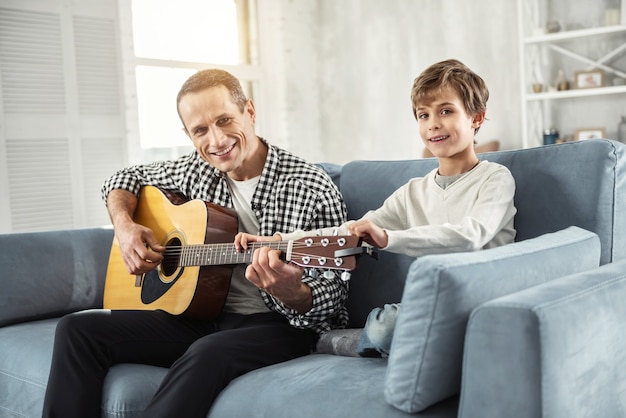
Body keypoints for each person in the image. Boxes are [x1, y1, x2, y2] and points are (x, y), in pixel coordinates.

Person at [42, 69, 349, 418]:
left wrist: (293, 291)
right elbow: (122, 178)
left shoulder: (311, 186)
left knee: (207, 352)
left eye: (224, 120)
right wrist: (125, 227)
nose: (216, 141)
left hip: (276, 324)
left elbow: (334, 296)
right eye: (200, 130)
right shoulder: (195, 169)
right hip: (202, 315)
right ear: (188, 134)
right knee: (77, 329)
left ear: (249, 111)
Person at [235, 59, 517, 351]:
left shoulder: (495, 178)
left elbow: (471, 236)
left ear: (476, 118)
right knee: (389, 325)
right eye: (423, 115)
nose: (433, 123)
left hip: (486, 298)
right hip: (436, 303)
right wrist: (278, 240)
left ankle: (364, 342)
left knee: (396, 326)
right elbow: (346, 232)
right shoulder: (413, 192)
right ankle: (385, 337)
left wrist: (389, 238)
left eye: (446, 111)